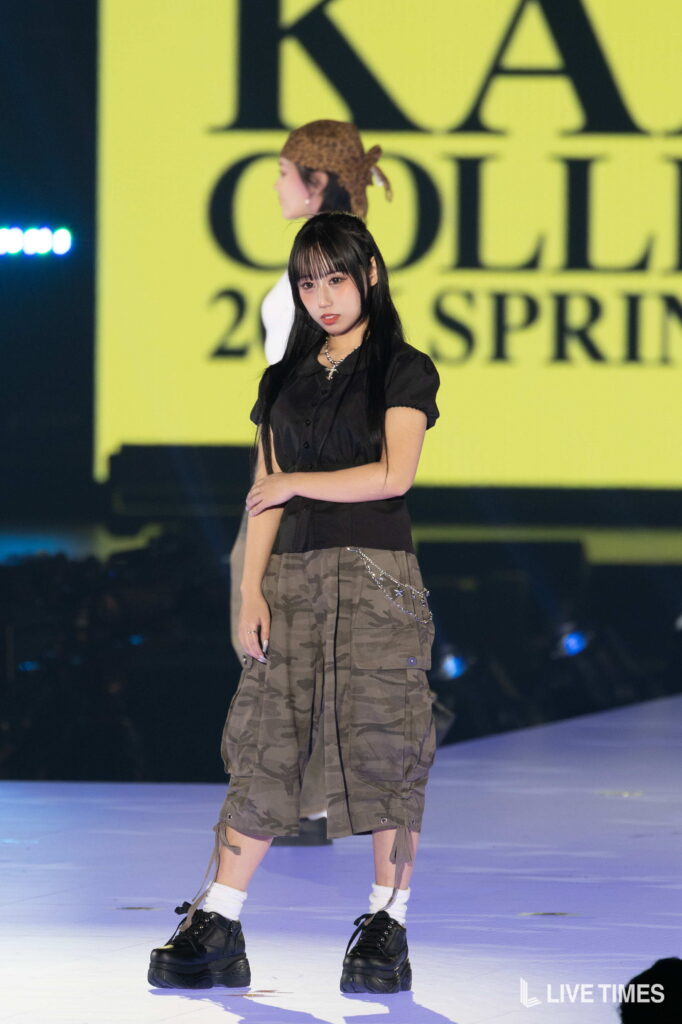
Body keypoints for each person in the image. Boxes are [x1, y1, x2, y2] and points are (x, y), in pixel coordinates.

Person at [148, 211, 440, 994]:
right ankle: (219, 918)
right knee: (263, 743)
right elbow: (262, 494)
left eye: (337, 279)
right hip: (289, 581)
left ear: (370, 274)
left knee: (384, 745)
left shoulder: (403, 369)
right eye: (308, 285)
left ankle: (386, 924)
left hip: (376, 578)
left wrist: (294, 482)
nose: (324, 298)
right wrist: (249, 588)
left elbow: (394, 474)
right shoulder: (282, 380)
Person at [229, 121, 392, 838]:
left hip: (306, 461)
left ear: (317, 182)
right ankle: (302, 793)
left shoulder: (343, 266)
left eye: (284, 172)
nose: (276, 185)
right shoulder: (332, 259)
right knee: (282, 618)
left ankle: (302, 796)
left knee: (279, 619)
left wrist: (289, 472)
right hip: (296, 452)